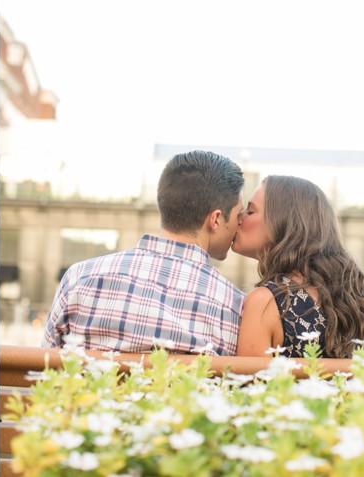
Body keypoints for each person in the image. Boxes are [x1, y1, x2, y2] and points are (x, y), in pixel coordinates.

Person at [43, 150, 246, 354]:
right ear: (216, 219)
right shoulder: (233, 305)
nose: (240, 222)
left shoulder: (80, 277)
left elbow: (46, 363)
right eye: (239, 214)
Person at [233, 175, 364, 358]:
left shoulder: (266, 302)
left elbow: (251, 385)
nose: (238, 218)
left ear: (284, 223)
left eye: (250, 212)